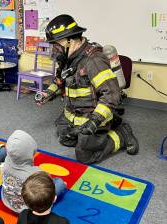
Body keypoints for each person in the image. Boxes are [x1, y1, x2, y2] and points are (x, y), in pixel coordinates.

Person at [39, 14, 139, 164]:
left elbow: (112, 95)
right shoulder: (68, 59)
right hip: (74, 113)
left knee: (84, 154)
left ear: (69, 41)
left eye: (56, 44)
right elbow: (60, 81)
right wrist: (47, 94)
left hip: (93, 116)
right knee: (65, 137)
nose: (54, 50)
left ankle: (122, 135)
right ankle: (96, 132)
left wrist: (94, 122)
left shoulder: (94, 61)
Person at [2, 130, 66, 213]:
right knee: (60, 183)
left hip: (8, 202)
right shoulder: (37, 173)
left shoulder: (7, 161)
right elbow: (47, 184)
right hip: (31, 207)